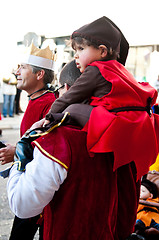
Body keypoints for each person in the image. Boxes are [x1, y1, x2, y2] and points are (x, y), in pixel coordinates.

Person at [7, 58, 139, 240]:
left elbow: (22, 204)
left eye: (59, 89)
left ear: (68, 89)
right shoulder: (128, 133)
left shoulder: (60, 138)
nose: (57, 95)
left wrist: (20, 159)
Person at [45, 16, 159, 180]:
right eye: (75, 51)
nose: (76, 56)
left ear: (102, 51)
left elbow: (68, 97)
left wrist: (48, 117)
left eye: (81, 49)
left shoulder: (95, 70)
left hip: (119, 123)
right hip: (136, 123)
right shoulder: (118, 68)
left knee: (71, 109)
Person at [0, 43, 56, 240]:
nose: (17, 71)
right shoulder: (35, 99)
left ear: (39, 75)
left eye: (22, 67)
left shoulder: (49, 103)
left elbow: (50, 148)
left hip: (38, 189)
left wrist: (16, 150)